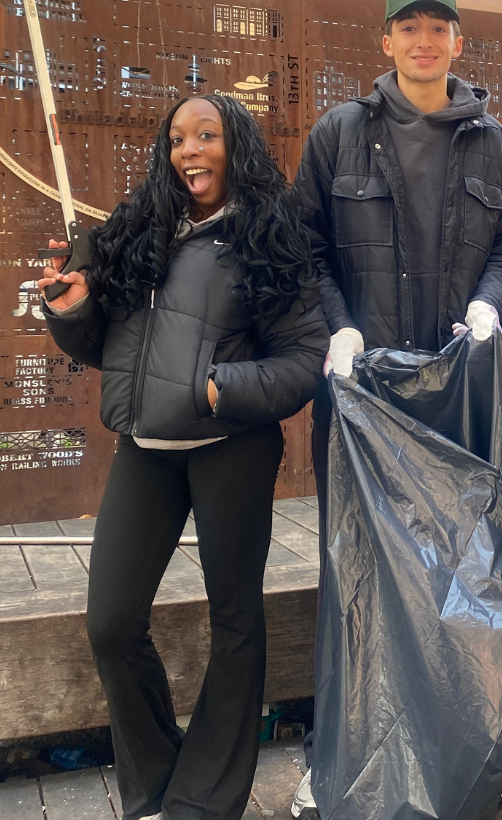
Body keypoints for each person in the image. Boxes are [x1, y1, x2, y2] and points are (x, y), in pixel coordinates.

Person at [38, 94, 328, 820]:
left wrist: (215, 387)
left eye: (207, 136)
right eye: (177, 139)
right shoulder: (142, 231)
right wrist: (71, 310)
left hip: (230, 445)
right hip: (146, 450)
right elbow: (106, 348)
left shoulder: (266, 234)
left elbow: (306, 360)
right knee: (110, 619)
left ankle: (206, 799)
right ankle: (155, 786)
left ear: (238, 146)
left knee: (236, 620)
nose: (189, 150)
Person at [291, 0, 502, 817]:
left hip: (452, 397)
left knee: (463, 580)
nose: (424, 40)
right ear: (385, 41)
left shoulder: (490, 142)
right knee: (355, 579)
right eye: (409, 26)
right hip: (362, 398)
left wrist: (488, 305)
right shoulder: (339, 134)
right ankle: (341, 766)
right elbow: (304, 247)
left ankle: (464, 757)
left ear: (459, 42)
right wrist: (338, 330)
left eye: (440, 27)